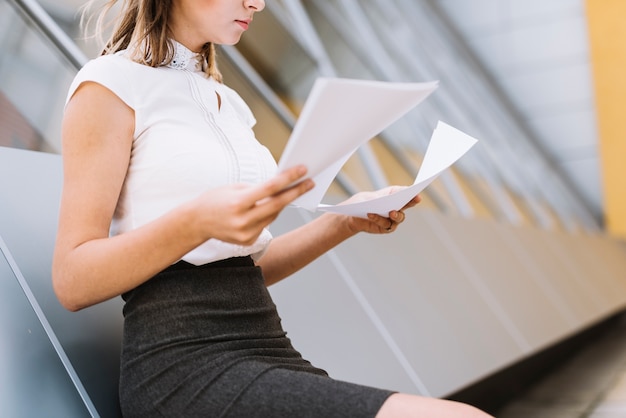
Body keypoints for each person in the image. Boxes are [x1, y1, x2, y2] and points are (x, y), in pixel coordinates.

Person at [52, 0, 493, 417]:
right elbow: (73, 279)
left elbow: (239, 268)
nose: (258, 4)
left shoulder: (229, 104)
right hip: (183, 365)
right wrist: (196, 220)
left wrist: (344, 223)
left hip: (266, 347)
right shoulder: (108, 85)